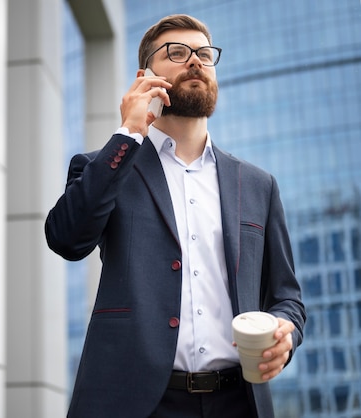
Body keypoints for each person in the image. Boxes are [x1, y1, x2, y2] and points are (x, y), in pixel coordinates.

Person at [45, 14, 305, 418]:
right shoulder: (107, 165)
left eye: (204, 54)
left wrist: (284, 334)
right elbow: (66, 238)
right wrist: (128, 134)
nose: (195, 61)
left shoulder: (258, 184)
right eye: (178, 53)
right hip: (135, 403)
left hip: (240, 402)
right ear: (144, 75)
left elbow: (287, 298)